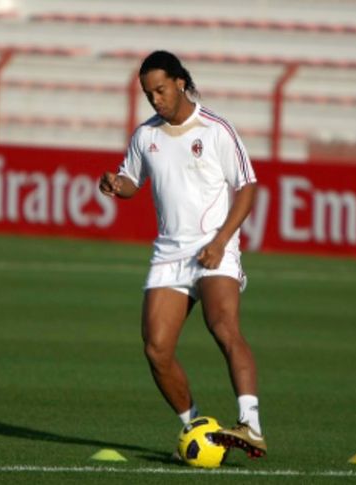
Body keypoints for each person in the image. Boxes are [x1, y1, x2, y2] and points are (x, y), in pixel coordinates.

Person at [99, 50, 266, 459]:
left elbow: (248, 188)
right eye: (147, 93)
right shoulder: (145, 135)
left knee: (222, 326)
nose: (155, 99)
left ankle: (251, 425)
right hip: (169, 252)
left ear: (179, 82)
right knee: (156, 349)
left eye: (160, 89)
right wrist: (115, 185)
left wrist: (221, 240)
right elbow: (132, 182)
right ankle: (195, 429)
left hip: (214, 244)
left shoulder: (215, 129)